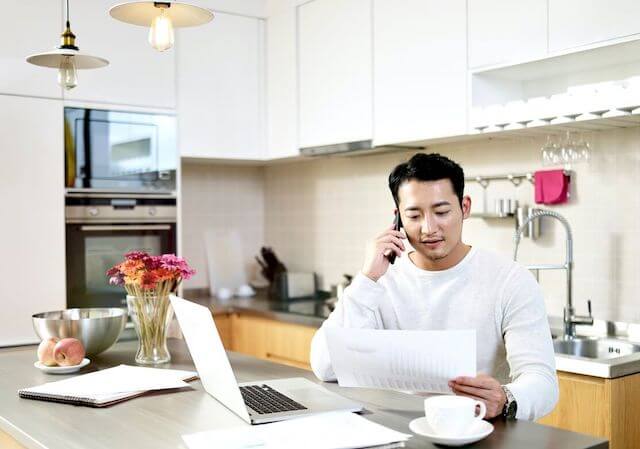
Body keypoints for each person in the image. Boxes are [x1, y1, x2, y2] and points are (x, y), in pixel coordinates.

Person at [310, 153, 558, 421]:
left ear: (465, 207)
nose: (429, 228)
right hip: (395, 428)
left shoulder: (510, 280)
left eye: (441, 212)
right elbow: (325, 366)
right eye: (414, 215)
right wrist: (367, 278)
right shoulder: (381, 280)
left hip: (478, 430)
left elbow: (542, 382)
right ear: (398, 219)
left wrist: (506, 398)